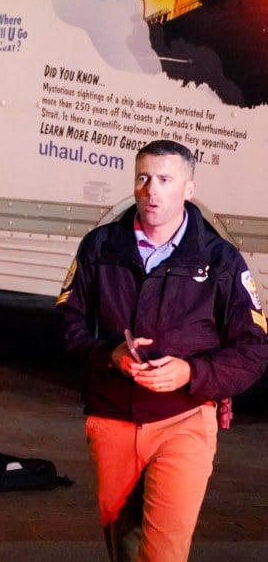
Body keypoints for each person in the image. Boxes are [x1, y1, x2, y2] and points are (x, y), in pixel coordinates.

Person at [56, 139, 268, 562]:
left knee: (164, 552)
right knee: (125, 547)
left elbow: (253, 350)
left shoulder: (220, 261)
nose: (152, 190)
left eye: (165, 180)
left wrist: (192, 374)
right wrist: (108, 356)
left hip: (185, 418)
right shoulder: (100, 247)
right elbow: (66, 324)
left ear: (189, 188)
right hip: (112, 417)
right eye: (143, 178)